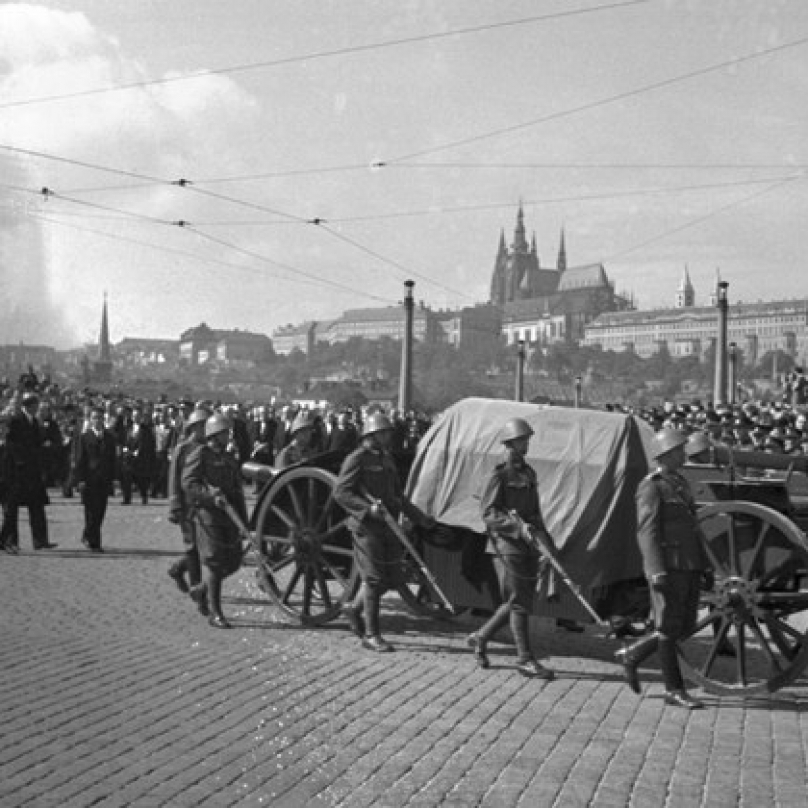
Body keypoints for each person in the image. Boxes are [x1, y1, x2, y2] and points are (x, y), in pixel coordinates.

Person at [615, 428, 712, 709]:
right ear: (666, 454)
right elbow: (647, 532)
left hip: (689, 564)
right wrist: (655, 569)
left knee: (686, 625)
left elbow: (694, 528)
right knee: (668, 627)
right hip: (668, 566)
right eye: (680, 450)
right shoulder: (652, 486)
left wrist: (703, 565)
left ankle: (632, 654)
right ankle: (674, 689)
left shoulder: (680, 483)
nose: (685, 454)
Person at [333, 412, 435, 652]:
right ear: (372, 435)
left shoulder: (386, 459)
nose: (388, 436)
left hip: (388, 526)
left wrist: (420, 518)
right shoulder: (356, 459)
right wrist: (367, 509)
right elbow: (341, 493)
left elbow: (397, 497)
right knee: (373, 578)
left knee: (391, 579)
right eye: (384, 433)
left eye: (388, 433)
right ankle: (371, 634)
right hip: (366, 527)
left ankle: (353, 609)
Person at [466, 417, 555, 680]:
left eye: (527, 439)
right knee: (519, 604)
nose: (526, 444)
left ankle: (480, 637)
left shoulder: (529, 474)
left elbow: (535, 513)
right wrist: (517, 528)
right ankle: (525, 659)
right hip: (505, 546)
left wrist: (545, 543)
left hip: (527, 545)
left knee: (519, 600)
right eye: (521, 440)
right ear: (510, 443)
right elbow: (490, 514)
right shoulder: (499, 474)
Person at [181, 413, 248, 628]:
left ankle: (201, 590)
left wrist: (244, 522)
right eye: (225, 433)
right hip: (208, 515)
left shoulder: (229, 458)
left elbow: (237, 491)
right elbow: (188, 483)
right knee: (215, 563)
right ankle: (215, 613)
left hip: (229, 515)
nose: (228, 436)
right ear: (215, 435)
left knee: (234, 562)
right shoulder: (200, 454)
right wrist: (210, 496)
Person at [166, 407, 211, 607]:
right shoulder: (182, 449)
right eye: (203, 426)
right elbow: (174, 478)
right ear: (194, 427)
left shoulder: (210, 448)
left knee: (204, 548)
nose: (206, 430)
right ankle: (197, 589)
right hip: (186, 505)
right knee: (193, 547)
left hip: (204, 503)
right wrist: (174, 505)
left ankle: (178, 568)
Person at [0, 393, 55, 552]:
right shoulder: (16, 421)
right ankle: (10, 541)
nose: (37, 408)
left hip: (33, 472)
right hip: (18, 472)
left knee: (37, 506)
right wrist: (21, 461)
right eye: (35, 405)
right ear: (29, 406)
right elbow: (12, 444)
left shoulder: (34, 421)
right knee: (11, 509)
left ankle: (40, 540)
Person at [72, 405, 117, 553]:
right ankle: (94, 542)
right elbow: (80, 460)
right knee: (90, 510)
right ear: (90, 420)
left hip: (104, 479)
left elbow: (113, 460)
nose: (97, 421)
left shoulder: (110, 438)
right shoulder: (85, 437)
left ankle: (88, 534)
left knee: (100, 511)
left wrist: (115, 478)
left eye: (100, 418)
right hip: (89, 479)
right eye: (94, 418)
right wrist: (80, 480)